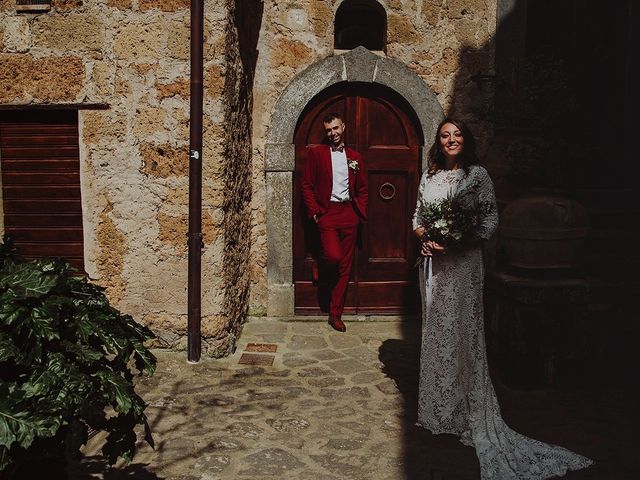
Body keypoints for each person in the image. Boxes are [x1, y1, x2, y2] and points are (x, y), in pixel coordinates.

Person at [412, 118, 593, 479]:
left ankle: (466, 408)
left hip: (463, 265)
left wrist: (463, 239)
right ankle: (439, 409)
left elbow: (490, 220)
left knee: (463, 332)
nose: (451, 140)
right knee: (435, 333)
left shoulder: (478, 176)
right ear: (439, 141)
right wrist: (425, 237)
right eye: (445, 135)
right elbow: (417, 214)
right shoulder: (429, 176)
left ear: (466, 140)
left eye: (457, 135)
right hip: (433, 266)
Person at [301, 112, 368, 332]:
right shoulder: (316, 154)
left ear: (344, 127)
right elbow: (307, 185)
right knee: (333, 256)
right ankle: (320, 263)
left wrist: (359, 213)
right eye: (328, 130)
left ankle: (335, 314)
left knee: (344, 268)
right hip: (327, 213)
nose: (332, 133)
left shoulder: (355, 157)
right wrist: (314, 213)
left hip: (349, 213)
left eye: (336, 128)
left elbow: (363, 189)